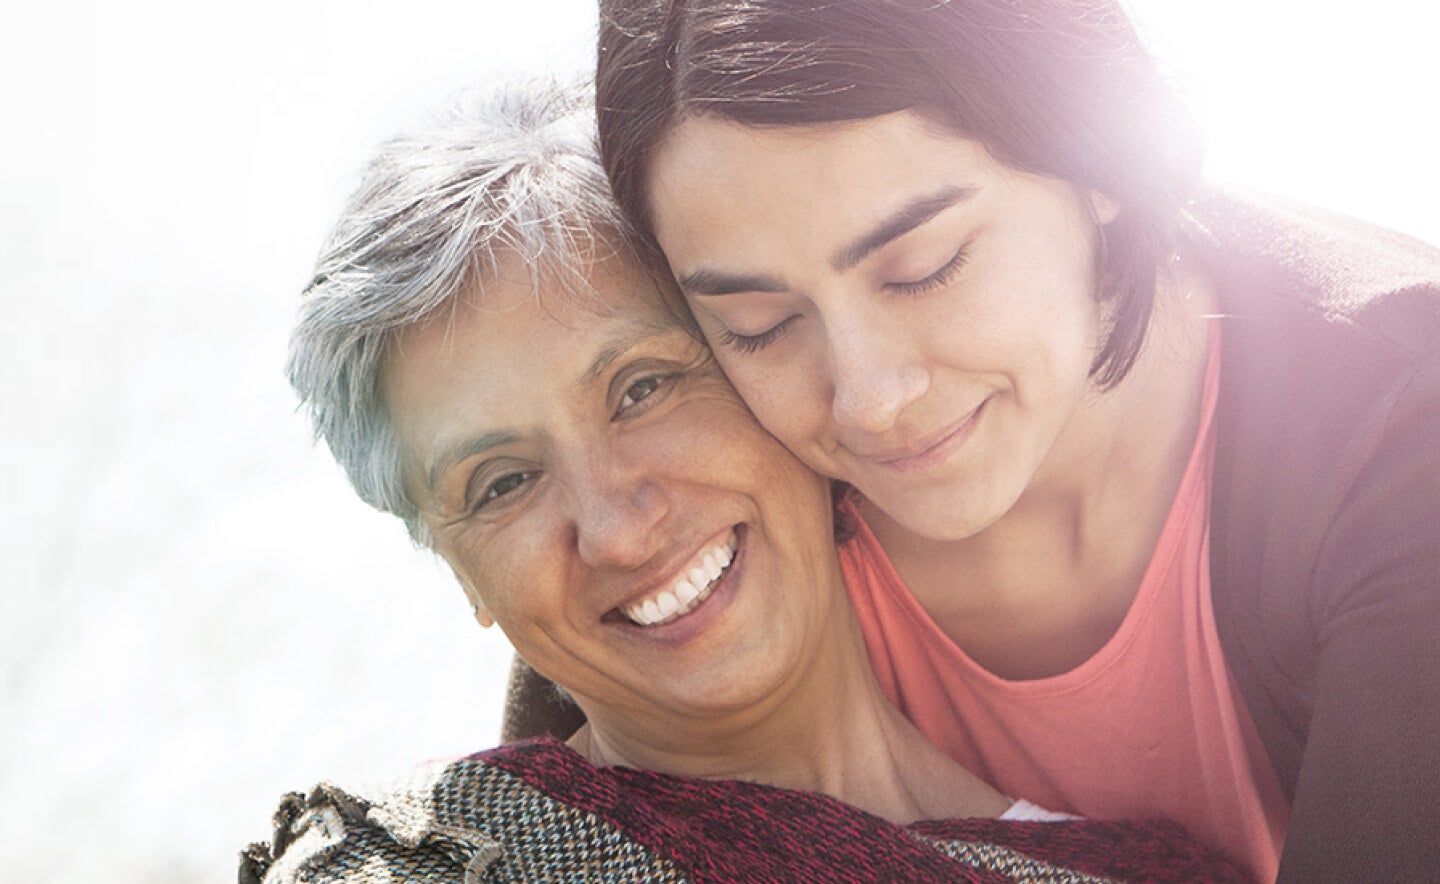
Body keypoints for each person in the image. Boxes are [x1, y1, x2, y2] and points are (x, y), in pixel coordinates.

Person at [239, 79, 1245, 882]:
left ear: (774, 361)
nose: (616, 526)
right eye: (502, 482)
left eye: (643, 388)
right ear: (462, 573)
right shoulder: (413, 865)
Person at [533, 0, 1440, 880]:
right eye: (760, 321)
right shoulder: (715, 498)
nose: (871, 399)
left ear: (1099, 151)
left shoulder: (1405, 442)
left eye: (927, 267)